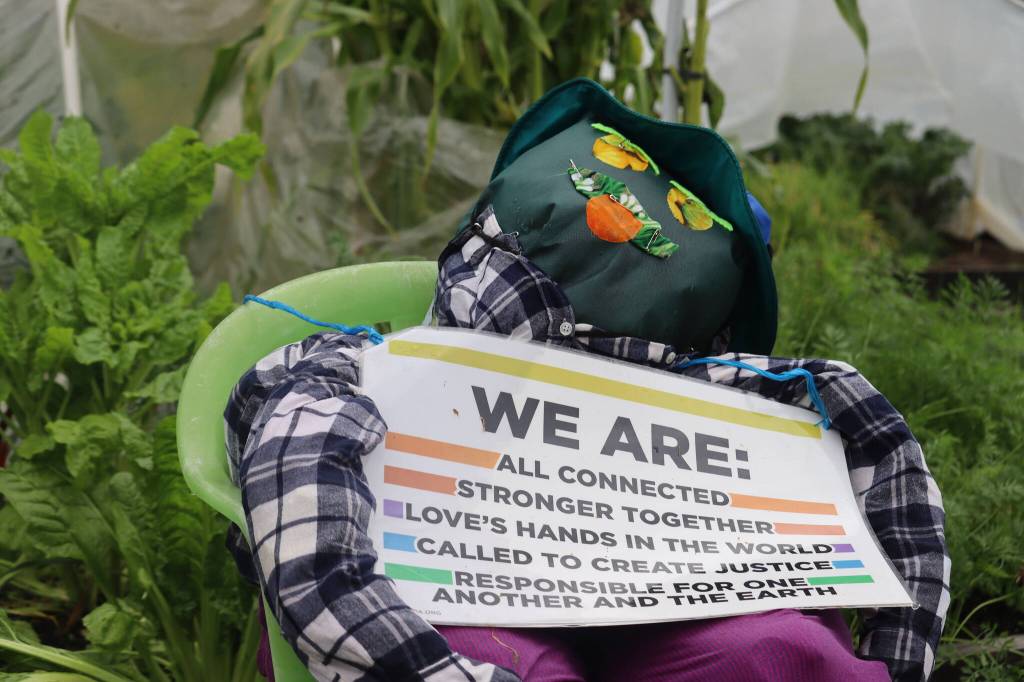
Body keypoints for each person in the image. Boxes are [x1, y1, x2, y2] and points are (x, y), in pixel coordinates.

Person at [225, 79, 948, 681]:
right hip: (453, 595)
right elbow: (315, 559)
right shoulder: (360, 375)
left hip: (659, 597)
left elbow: (874, 455)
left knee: (768, 650)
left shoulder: (760, 403)